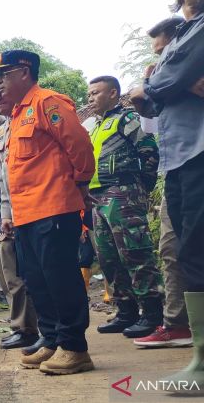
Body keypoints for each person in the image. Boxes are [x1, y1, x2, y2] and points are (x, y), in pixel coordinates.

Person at [127, 0, 204, 386]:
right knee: (192, 255)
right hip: (181, 158)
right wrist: (160, 84)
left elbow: (163, 84)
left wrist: (159, 84)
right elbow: (160, 89)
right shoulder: (186, 33)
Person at [0, 50, 95, 375]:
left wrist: (82, 185)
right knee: (37, 281)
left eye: (1, 76)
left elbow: (80, 146)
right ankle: (51, 341)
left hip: (55, 208)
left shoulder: (48, 102)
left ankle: (75, 348)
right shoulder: (17, 116)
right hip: (25, 216)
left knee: (61, 278)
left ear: (23, 71)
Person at [85, 75, 162, 338]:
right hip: (98, 198)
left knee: (135, 253)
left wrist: (142, 187)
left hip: (123, 193)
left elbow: (149, 151)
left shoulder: (125, 120)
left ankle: (153, 314)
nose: (91, 98)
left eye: (96, 93)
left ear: (113, 94)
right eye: (89, 94)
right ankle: (126, 312)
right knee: (109, 258)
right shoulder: (96, 127)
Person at [0, 110, 39, 349]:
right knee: (5, 284)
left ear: (1, 130)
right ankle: (19, 327)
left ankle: (26, 329)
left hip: (9, 228)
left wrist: (10, 219)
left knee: (16, 281)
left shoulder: (9, 156)